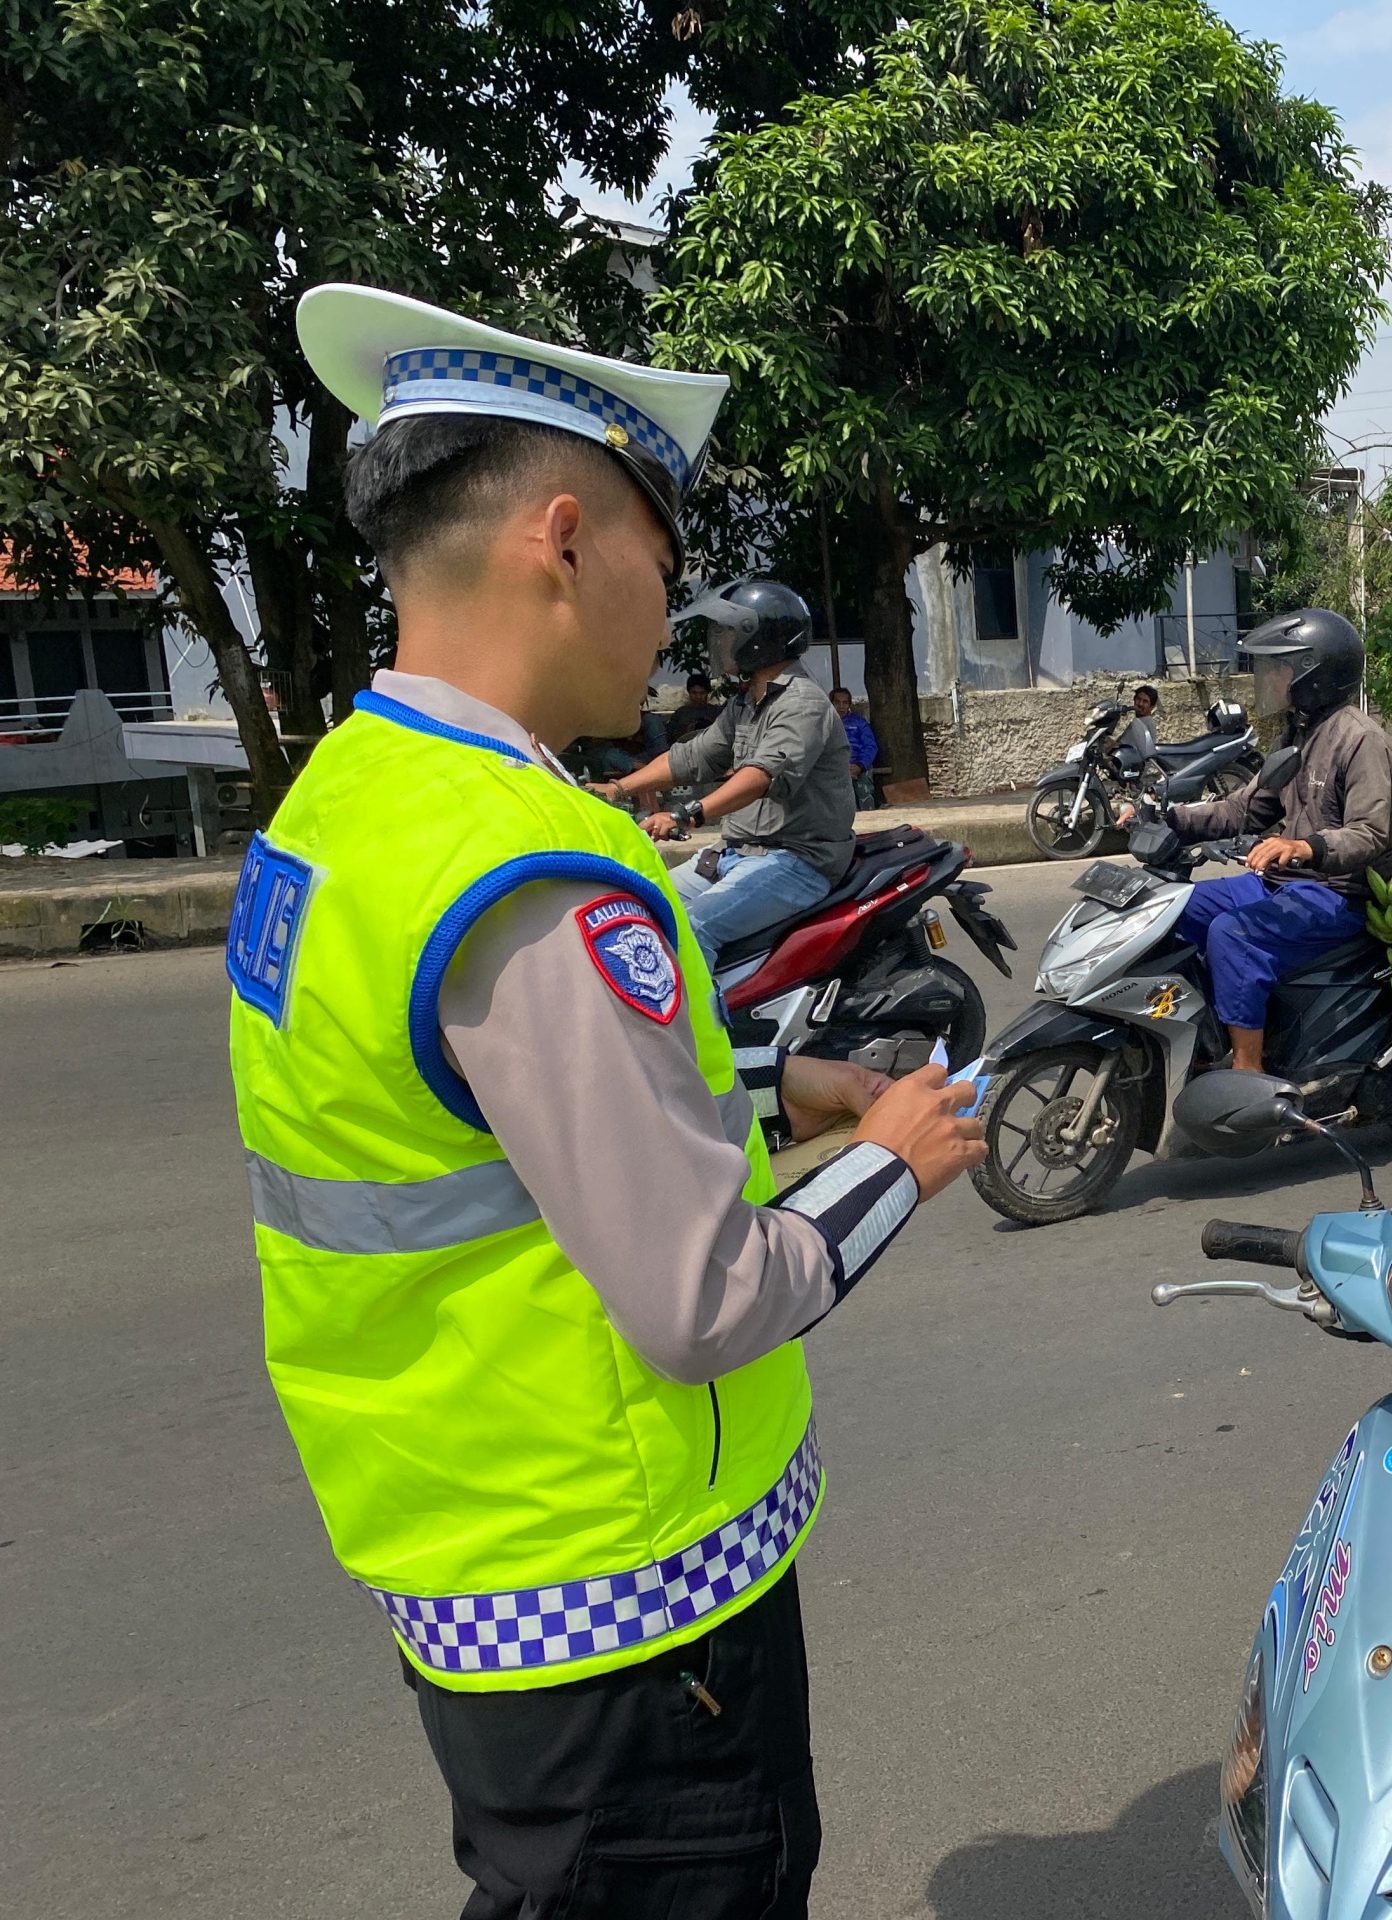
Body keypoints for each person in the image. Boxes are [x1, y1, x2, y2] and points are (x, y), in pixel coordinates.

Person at [238, 284, 985, 1917]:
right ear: (564, 539)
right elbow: (704, 1296)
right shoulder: (528, 866)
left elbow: (487, 1128)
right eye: (666, 555)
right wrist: (888, 1160)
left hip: (475, 1566)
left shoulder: (345, 807)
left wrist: (785, 1084)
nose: (676, 608)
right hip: (630, 1606)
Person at [1126, 610, 1392, 1076]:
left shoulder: (1362, 741)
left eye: (1281, 670)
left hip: (1336, 895)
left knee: (1232, 934)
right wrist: (1169, 818)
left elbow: (1369, 832)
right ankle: (1211, 1032)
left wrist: (1302, 847)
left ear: (1315, 676)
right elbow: (1245, 808)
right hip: (1282, 884)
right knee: (1168, 907)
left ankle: (1248, 1071)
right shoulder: (1296, 733)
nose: (1271, 680)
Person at [597, 579, 859, 958]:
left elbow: (761, 776)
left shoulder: (802, 703)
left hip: (796, 861)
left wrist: (689, 814)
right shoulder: (747, 702)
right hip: (735, 852)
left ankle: (705, 1019)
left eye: (728, 633)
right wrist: (618, 789)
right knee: (642, 909)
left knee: (690, 928)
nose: (719, 643)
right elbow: (693, 756)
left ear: (759, 640)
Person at [829, 684, 881, 810]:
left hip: (858, 767)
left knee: (864, 792)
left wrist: (860, 766)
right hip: (833, 770)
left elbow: (870, 746)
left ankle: (869, 821)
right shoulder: (823, 724)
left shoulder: (859, 723)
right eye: (837, 702)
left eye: (845, 703)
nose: (841, 706)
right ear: (830, 703)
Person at [667, 671, 722, 747]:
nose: (698, 697)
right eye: (694, 693)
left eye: (702, 693)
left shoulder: (716, 712)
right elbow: (671, 738)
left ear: (707, 693)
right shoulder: (680, 713)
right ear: (689, 692)